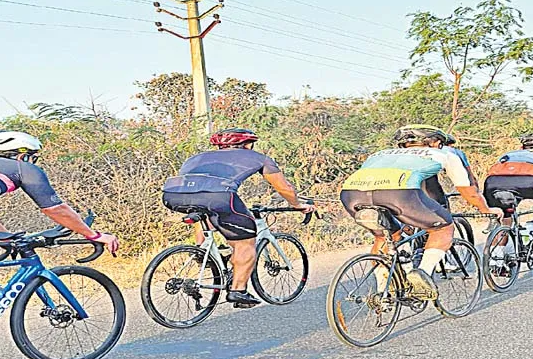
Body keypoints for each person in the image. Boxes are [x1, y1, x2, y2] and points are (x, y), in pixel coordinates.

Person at [0, 130, 119, 359]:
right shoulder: (22, 169)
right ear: (22, 155)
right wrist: (94, 235)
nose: (33, 162)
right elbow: (57, 209)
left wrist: (7, 237)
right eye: (33, 156)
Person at [340, 125, 503, 299]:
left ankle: (383, 292)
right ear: (437, 142)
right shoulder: (446, 154)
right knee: (444, 228)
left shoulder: (379, 154)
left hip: (351, 194)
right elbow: (469, 191)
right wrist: (487, 210)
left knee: (385, 236)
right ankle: (422, 276)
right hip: (399, 193)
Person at [162, 128, 315, 308]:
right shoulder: (259, 158)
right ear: (248, 144)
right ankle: (238, 291)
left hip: (172, 196)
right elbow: (285, 188)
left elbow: (197, 188)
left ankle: (201, 250)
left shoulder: (195, 158)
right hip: (218, 197)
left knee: (204, 210)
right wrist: (297, 204)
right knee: (245, 242)